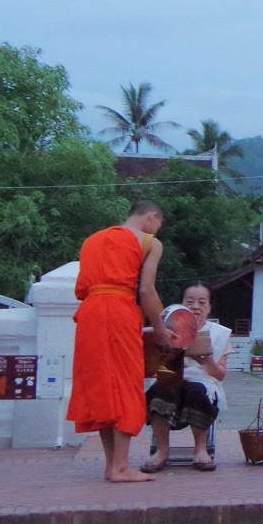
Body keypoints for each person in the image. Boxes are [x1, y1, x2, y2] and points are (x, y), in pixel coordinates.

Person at [67, 198, 169, 482]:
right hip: (119, 310)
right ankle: (121, 467)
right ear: (152, 217)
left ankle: (112, 464)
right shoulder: (149, 242)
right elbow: (146, 290)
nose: (156, 231)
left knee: (101, 385)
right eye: (158, 224)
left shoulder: (92, 240)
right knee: (125, 382)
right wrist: (160, 328)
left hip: (89, 313)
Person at [143, 283, 229, 471]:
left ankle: (200, 448)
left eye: (201, 302)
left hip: (203, 381)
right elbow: (153, 365)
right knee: (159, 389)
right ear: (181, 304)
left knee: (195, 390)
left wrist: (207, 362)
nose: (195, 306)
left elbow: (220, 375)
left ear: (209, 307)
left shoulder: (219, 333)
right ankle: (162, 450)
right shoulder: (165, 330)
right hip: (170, 377)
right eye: (189, 301)